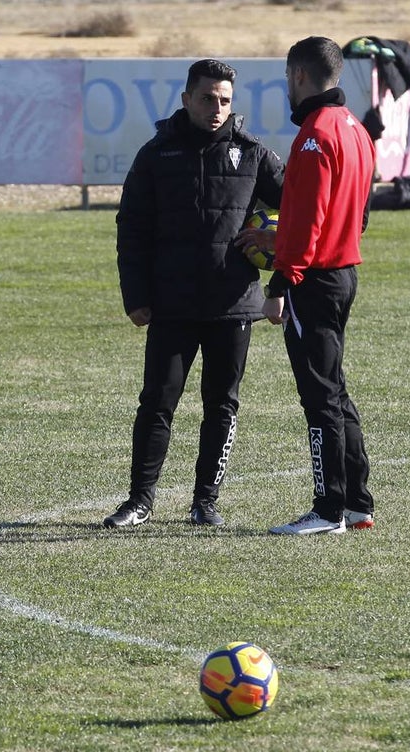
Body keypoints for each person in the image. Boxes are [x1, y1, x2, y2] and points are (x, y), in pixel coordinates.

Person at [104, 59, 285, 529]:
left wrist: (280, 265)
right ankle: (139, 500)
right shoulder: (157, 154)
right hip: (172, 303)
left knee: (221, 405)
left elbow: (300, 207)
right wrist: (135, 294)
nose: (217, 108)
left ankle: (206, 502)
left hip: (233, 304)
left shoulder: (252, 154)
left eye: (225, 100)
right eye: (207, 98)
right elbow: (132, 228)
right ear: (186, 99)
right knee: (157, 403)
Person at [238, 36, 376, 535]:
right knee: (335, 390)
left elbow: (308, 218)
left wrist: (281, 281)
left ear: (298, 75)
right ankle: (358, 504)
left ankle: (327, 510)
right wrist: (281, 238)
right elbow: (355, 213)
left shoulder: (315, 133)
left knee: (318, 397)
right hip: (342, 274)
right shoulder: (356, 129)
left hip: (313, 280)